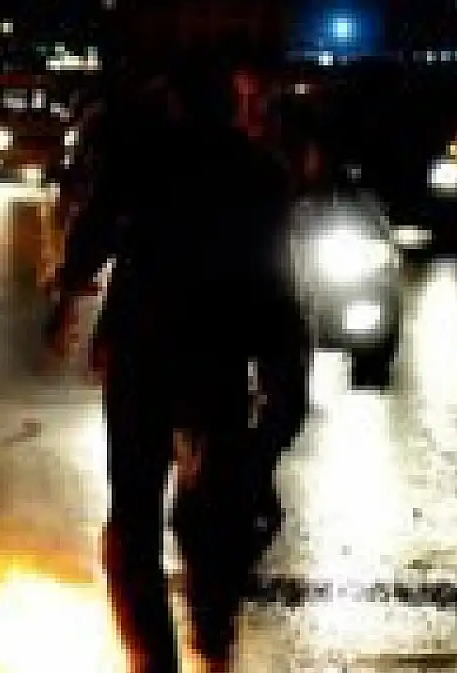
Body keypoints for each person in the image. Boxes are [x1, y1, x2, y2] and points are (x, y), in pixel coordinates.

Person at [42, 41, 310, 673]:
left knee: (138, 516)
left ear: (175, 102)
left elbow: (94, 234)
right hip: (216, 355)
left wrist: (68, 299)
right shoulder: (259, 170)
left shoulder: (147, 158)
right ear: (229, 103)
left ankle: (156, 657)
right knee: (211, 507)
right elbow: (277, 282)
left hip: (148, 353)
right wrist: (285, 379)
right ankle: (212, 641)